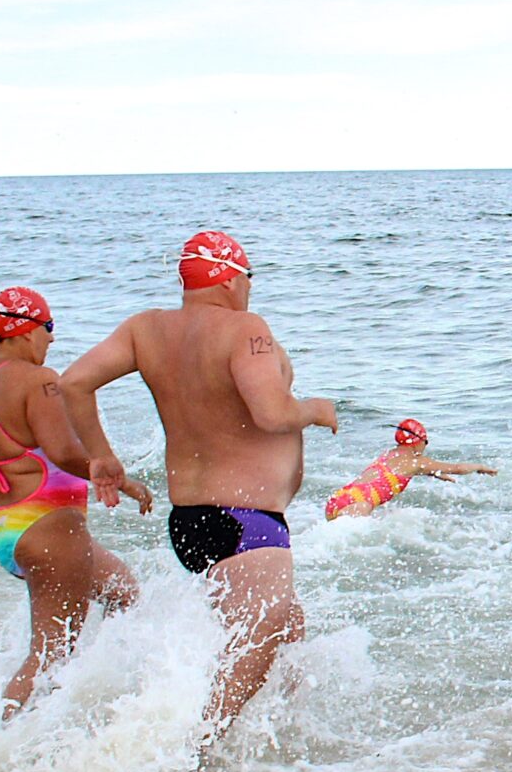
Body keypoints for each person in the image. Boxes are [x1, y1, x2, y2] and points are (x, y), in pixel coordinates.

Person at [62, 230, 338, 731]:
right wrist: (316, 410)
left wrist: (101, 457)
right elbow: (272, 413)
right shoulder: (244, 328)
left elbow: (73, 382)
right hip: (247, 522)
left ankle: (279, 762)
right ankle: (191, 760)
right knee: (247, 658)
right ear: (231, 279)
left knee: (289, 637)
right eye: (248, 278)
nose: (250, 289)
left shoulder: (144, 329)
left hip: (191, 524)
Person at [0, 288, 146, 716]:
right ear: (25, 330)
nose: (52, 340)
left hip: (9, 530)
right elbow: (61, 450)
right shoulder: (39, 380)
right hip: (50, 527)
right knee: (48, 653)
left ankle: (96, 707)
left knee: (123, 593)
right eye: (49, 328)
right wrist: (114, 476)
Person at [322, 418, 496, 519]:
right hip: (359, 505)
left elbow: (392, 474)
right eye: (425, 443)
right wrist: (479, 466)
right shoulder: (416, 462)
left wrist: (432, 473)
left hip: (339, 499)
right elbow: (457, 468)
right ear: (419, 441)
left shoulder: (388, 454)